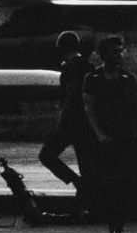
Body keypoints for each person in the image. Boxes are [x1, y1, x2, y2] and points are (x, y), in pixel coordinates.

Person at [83, 36, 137, 233]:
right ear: (104, 54)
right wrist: (99, 134)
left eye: (120, 51)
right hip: (104, 139)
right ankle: (111, 220)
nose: (119, 55)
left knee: (125, 182)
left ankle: (119, 226)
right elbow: (89, 108)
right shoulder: (93, 79)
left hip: (125, 137)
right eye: (115, 51)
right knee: (107, 183)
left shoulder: (129, 79)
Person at [38, 31, 97, 209]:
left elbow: (70, 98)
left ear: (60, 48)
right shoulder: (89, 67)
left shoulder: (69, 68)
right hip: (87, 123)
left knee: (46, 155)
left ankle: (77, 183)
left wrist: (60, 122)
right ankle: (87, 196)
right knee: (86, 164)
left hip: (71, 123)